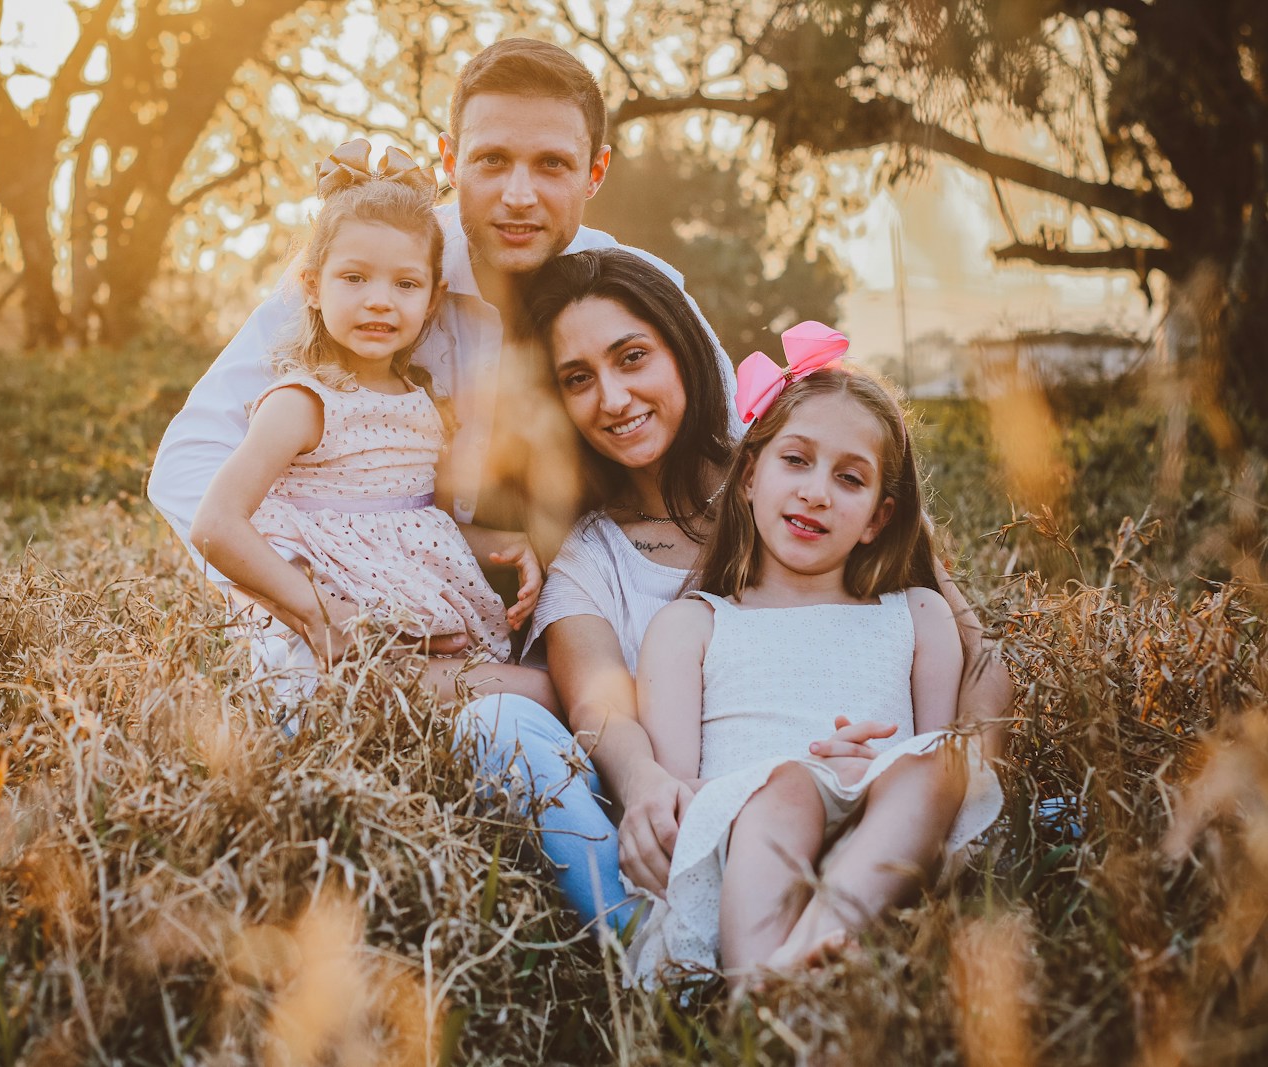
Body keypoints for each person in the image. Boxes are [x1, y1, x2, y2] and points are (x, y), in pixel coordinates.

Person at [467, 250, 1013, 933]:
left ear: (683, 352)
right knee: (493, 723)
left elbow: (979, 654)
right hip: (700, 812)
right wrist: (644, 784)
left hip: (875, 804)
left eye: (632, 357)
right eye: (578, 379)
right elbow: (596, 700)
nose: (612, 398)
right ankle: (663, 944)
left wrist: (946, 783)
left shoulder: (807, 481)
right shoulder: (591, 555)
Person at [147, 37, 737, 640]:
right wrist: (311, 605)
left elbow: (729, 452)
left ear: (595, 172)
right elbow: (191, 461)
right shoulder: (372, 269)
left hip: (576, 623)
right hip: (353, 614)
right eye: (492, 160)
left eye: (552, 164)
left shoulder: (636, 295)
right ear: (450, 160)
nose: (519, 196)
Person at [624, 331, 1003, 988]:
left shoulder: (917, 614)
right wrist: (801, 768)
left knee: (936, 759)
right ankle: (766, 968)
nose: (817, 492)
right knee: (790, 788)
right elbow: (680, 799)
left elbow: (934, 760)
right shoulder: (693, 624)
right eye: (796, 460)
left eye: (849, 477)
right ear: (749, 477)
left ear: (878, 518)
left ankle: (803, 953)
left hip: (879, 846)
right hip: (752, 840)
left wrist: (875, 768)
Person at [190, 141, 554, 708]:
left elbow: (409, 520)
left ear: (433, 299)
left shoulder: (421, 402)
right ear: (312, 286)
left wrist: (498, 544)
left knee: (536, 692)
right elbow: (215, 524)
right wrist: (323, 619)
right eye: (355, 278)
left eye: (405, 285)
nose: (380, 302)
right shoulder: (304, 403)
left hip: (411, 635)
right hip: (336, 650)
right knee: (540, 693)